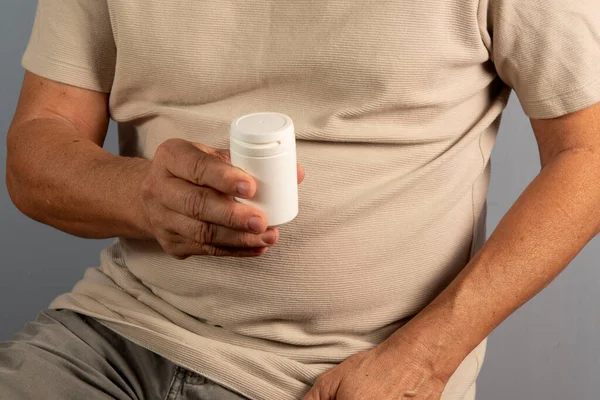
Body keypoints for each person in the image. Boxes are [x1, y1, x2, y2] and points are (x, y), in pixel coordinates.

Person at [2, 0, 600, 398]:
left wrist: (424, 362)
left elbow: (589, 154)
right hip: (109, 336)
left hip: (334, 375)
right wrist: (143, 197)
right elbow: (38, 143)